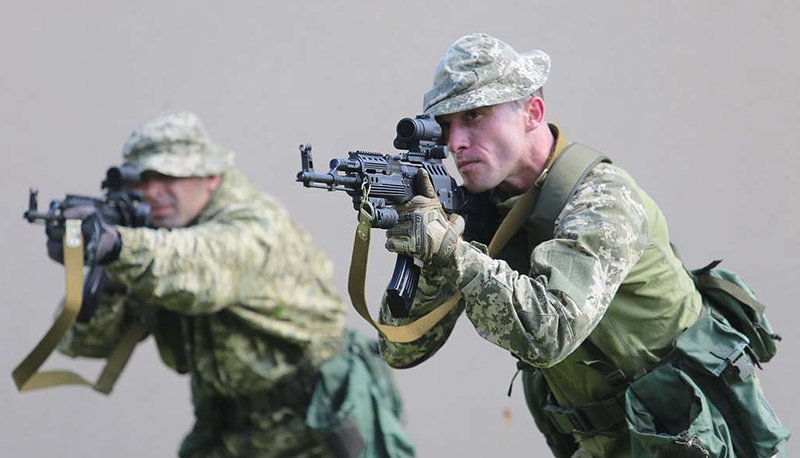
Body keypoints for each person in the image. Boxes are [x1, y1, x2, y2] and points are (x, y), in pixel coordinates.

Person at [378, 33, 788, 457]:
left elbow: (548, 333)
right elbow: (401, 347)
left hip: (692, 439)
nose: (456, 141)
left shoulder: (602, 199)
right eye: (446, 126)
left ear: (532, 112)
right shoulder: (486, 210)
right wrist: (426, 254)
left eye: (475, 116)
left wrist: (450, 251)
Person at [47, 111, 415, 458]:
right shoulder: (155, 240)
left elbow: (199, 268)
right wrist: (104, 272)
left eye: (169, 176)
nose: (153, 191)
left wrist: (118, 245)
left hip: (317, 428)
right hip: (230, 433)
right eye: (142, 180)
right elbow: (85, 343)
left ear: (211, 175)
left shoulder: (255, 224)